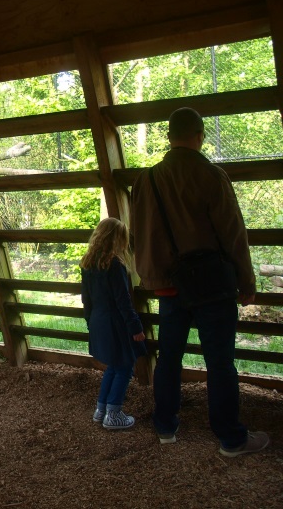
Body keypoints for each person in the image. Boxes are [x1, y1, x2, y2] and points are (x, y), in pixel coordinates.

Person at [130, 107, 269, 456]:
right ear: (199, 135)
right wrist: (247, 282)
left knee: (169, 359)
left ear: (168, 137)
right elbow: (233, 233)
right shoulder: (211, 174)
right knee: (220, 363)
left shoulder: (146, 179)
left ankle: (165, 426)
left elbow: (141, 235)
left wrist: (154, 278)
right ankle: (230, 438)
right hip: (212, 286)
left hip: (171, 286)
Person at [81, 217, 146, 430]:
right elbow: (123, 301)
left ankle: (101, 410)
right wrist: (135, 327)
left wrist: (90, 322)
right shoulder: (114, 264)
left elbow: (86, 299)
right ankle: (114, 414)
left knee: (113, 365)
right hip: (115, 323)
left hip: (98, 320)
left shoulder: (88, 263)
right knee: (125, 366)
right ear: (117, 238)